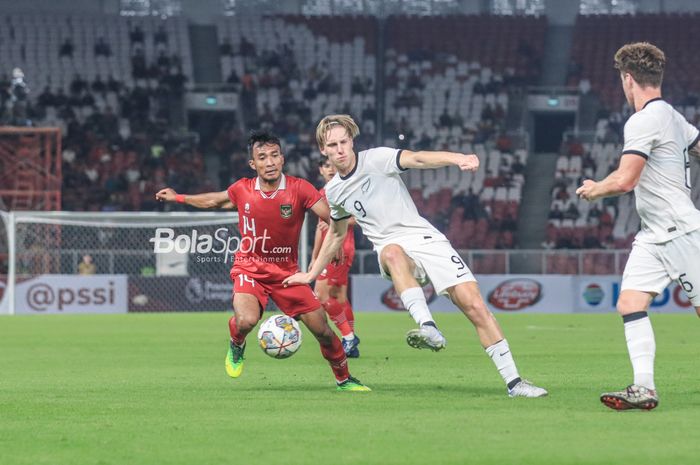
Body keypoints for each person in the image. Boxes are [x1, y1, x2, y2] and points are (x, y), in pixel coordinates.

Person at [284, 115, 547, 398]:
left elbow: (418, 159)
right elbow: (336, 234)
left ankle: (514, 383)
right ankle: (428, 326)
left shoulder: (377, 159)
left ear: (352, 141)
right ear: (323, 149)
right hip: (389, 247)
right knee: (393, 253)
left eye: (344, 142)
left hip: (426, 239)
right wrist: (311, 274)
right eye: (332, 145)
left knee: (475, 306)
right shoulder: (334, 191)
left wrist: (457, 158)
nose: (340, 149)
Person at [156, 130, 370, 392]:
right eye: (262, 157)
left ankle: (344, 379)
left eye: (274, 155)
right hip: (250, 266)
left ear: (282, 159)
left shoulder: (300, 188)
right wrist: (179, 197)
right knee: (246, 320)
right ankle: (237, 343)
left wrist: (334, 241)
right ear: (253, 164)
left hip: (287, 273)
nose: (269, 162)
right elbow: (214, 200)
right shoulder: (242, 189)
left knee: (323, 331)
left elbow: (329, 216)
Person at [576, 42, 700, 411]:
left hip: (681, 231)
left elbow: (627, 179)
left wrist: (596, 189)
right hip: (653, 234)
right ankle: (643, 387)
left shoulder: (644, 119)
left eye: (621, 79)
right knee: (630, 302)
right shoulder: (672, 117)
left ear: (628, 79)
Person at [312, 158, 360, 357]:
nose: (331, 169)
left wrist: (340, 223)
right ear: (320, 170)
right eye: (326, 166)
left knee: (322, 297)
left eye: (333, 165)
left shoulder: (345, 189)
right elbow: (319, 228)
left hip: (339, 248)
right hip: (328, 249)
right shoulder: (321, 193)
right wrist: (315, 257)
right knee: (339, 298)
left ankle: (348, 338)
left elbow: (360, 217)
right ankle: (352, 344)